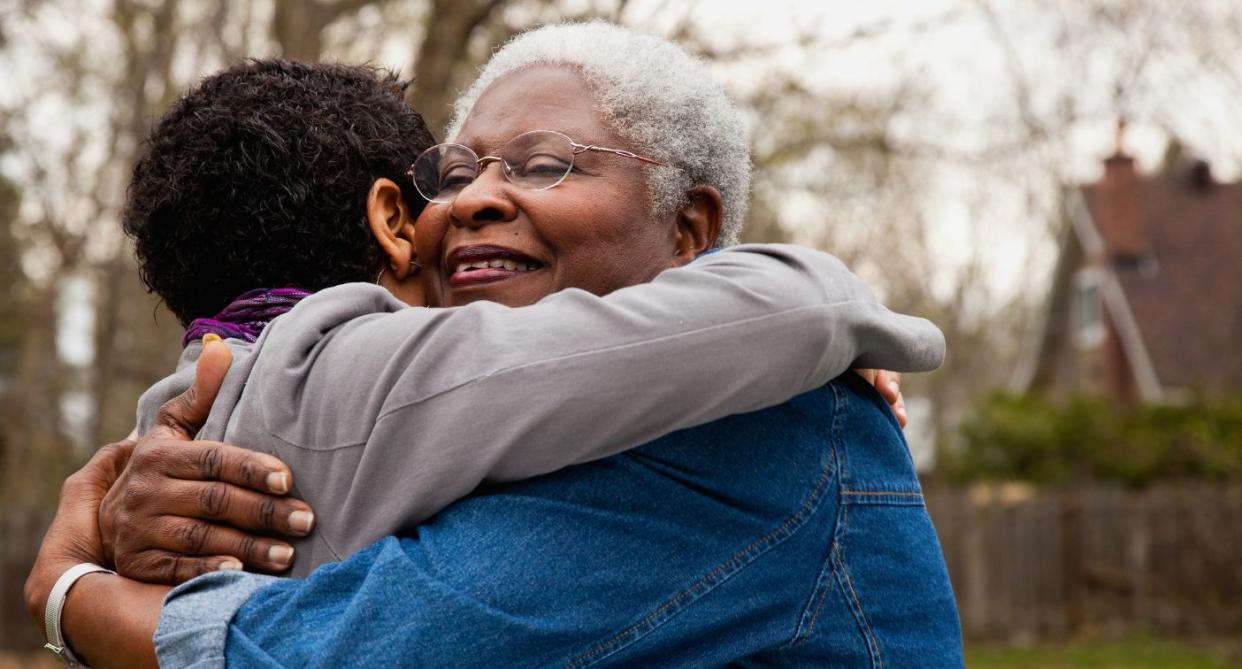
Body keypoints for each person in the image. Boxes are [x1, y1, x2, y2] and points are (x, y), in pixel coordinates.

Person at [28, 22, 962, 668]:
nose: (473, 197)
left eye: (545, 163)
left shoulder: (769, 423)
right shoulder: (467, 417)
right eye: (461, 171)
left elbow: (353, 647)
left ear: (688, 233)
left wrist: (75, 594)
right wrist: (127, 505)